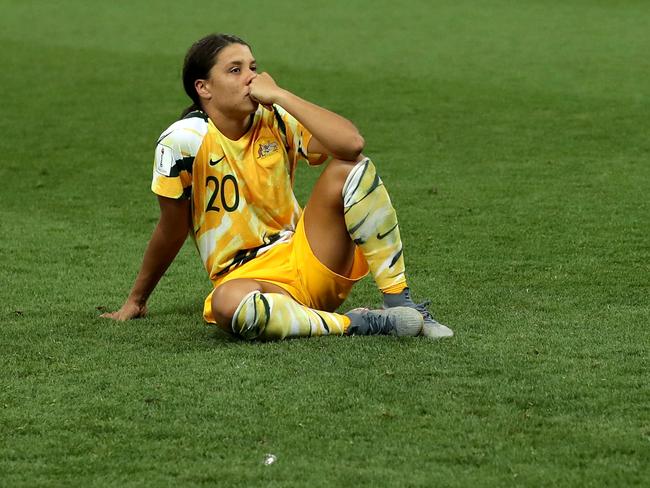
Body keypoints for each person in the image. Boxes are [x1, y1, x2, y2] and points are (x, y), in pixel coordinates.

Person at [101, 33, 453, 341]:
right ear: (203, 88)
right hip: (252, 282)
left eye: (253, 67)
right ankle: (359, 323)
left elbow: (351, 144)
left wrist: (281, 95)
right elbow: (172, 228)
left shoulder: (274, 118)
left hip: (308, 255)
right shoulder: (183, 142)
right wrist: (137, 300)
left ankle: (401, 303)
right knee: (226, 303)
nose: (250, 78)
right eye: (235, 70)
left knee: (350, 169)